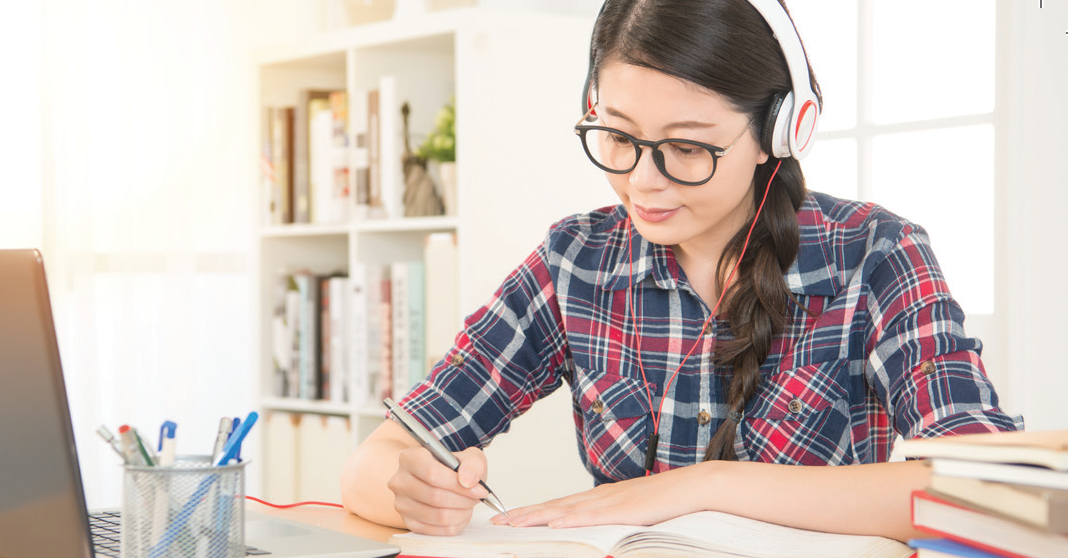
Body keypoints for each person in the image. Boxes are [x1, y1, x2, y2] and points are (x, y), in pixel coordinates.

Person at [340, 0, 1021, 542]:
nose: (644, 181)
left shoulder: (876, 254)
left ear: (780, 132)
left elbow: (985, 491)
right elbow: (379, 460)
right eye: (617, 136)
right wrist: (412, 488)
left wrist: (702, 485)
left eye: (687, 147)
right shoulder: (574, 261)